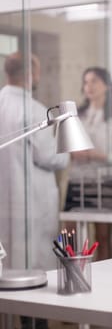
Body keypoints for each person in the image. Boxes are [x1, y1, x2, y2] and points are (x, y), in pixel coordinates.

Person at [0, 51, 70, 271]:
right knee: (36, 267)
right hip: (31, 204)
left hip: (5, 203)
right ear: (31, 74)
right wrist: (67, 151)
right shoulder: (34, 109)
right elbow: (50, 157)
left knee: (8, 264)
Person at [66, 67, 112, 260]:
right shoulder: (77, 116)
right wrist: (72, 153)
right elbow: (64, 145)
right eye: (86, 82)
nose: (89, 86)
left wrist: (100, 155)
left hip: (103, 184)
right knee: (69, 235)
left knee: (102, 237)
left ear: (106, 85)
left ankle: (105, 280)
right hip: (77, 182)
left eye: (94, 81)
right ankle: (72, 278)